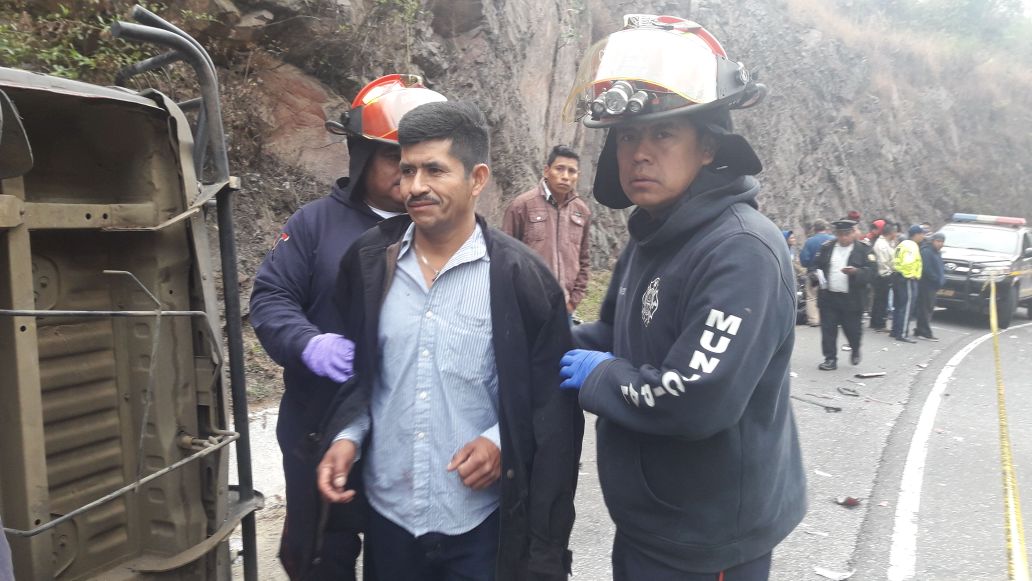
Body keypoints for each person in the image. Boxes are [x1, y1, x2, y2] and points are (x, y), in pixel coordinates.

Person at [556, 15, 806, 580]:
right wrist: (542, 341)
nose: (639, 154)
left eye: (662, 133)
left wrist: (601, 378)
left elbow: (698, 398)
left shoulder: (741, 250)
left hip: (708, 538)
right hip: (651, 521)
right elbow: (611, 334)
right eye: (626, 136)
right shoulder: (653, 232)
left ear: (708, 148)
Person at [316, 101, 583, 581]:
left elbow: (549, 399)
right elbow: (363, 371)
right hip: (389, 519)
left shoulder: (522, 279)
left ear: (477, 179)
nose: (415, 187)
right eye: (408, 170)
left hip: (478, 527)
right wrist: (347, 435)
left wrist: (500, 441)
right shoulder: (370, 263)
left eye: (435, 170)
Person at [249, 74, 447, 580]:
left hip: (406, 437)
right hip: (318, 425)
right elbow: (272, 298)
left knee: (402, 556)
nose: (409, 176)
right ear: (361, 156)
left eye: (422, 159)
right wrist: (308, 342)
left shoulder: (441, 232)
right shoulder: (316, 224)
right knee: (319, 552)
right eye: (393, 158)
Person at [502, 145, 592, 314]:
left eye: (571, 171)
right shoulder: (522, 206)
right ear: (546, 171)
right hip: (526, 308)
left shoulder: (582, 212)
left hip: (564, 309)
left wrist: (573, 302)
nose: (565, 176)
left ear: (577, 176)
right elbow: (504, 257)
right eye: (559, 169)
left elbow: (584, 260)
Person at [812, 220, 877, 370]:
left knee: (852, 330)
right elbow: (816, 265)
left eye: (846, 234)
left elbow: (873, 272)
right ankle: (830, 359)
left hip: (852, 299)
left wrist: (856, 272)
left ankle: (855, 349)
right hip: (829, 297)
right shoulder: (827, 247)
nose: (843, 238)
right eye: (840, 235)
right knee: (828, 330)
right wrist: (814, 275)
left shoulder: (864, 250)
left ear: (854, 233)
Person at [891, 224, 927, 343]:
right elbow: (908, 262)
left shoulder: (902, 244)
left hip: (897, 276)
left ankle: (895, 330)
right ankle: (902, 333)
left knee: (899, 306)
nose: (923, 236)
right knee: (906, 307)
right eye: (922, 234)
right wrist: (910, 275)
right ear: (916, 234)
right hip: (907, 279)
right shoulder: (911, 246)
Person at [800, 219, 834, 326]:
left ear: (814, 229)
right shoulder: (833, 240)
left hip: (813, 274)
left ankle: (814, 320)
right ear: (826, 228)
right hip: (829, 273)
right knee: (830, 296)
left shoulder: (809, 241)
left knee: (811, 296)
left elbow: (804, 260)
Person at [915, 232, 946, 340]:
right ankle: (924, 331)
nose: (940, 244)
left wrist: (941, 280)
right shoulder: (926, 251)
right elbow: (926, 269)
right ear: (933, 241)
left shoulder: (937, 252)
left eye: (942, 242)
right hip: (926, 284)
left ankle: (920, 330)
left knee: (928, 307)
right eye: (938, 241)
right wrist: (936, 279)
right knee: (925, 308)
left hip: (933, 285)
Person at [870, 221, 896, 332]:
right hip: (883, 275)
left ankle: (875, 322)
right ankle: (879, 323)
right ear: (890, 233)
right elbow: (884, 262)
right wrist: (890, 272)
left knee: (879, 300)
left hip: (883, 274)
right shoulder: (882, 245)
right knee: (882, 300)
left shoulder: (886, 243)